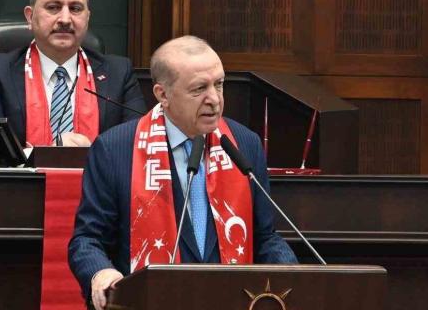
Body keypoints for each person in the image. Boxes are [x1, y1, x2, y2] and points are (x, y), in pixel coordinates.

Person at [68, 36, 297, 308]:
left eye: (219, 84)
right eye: (199, 88)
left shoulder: (244, 143)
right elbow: (88, 239)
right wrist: (101, 272)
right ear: (162, 94)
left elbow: (265, 236)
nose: (214, 99)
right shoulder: (115, 149)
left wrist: (294, 275)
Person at [0, 0, 145, 147]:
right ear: (30, 17)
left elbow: (138, 143)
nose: (65, 19)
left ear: (87, 18)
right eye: (53, 8)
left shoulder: (119, 73)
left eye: (75, 9)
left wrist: (96, 153)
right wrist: (48, 153)